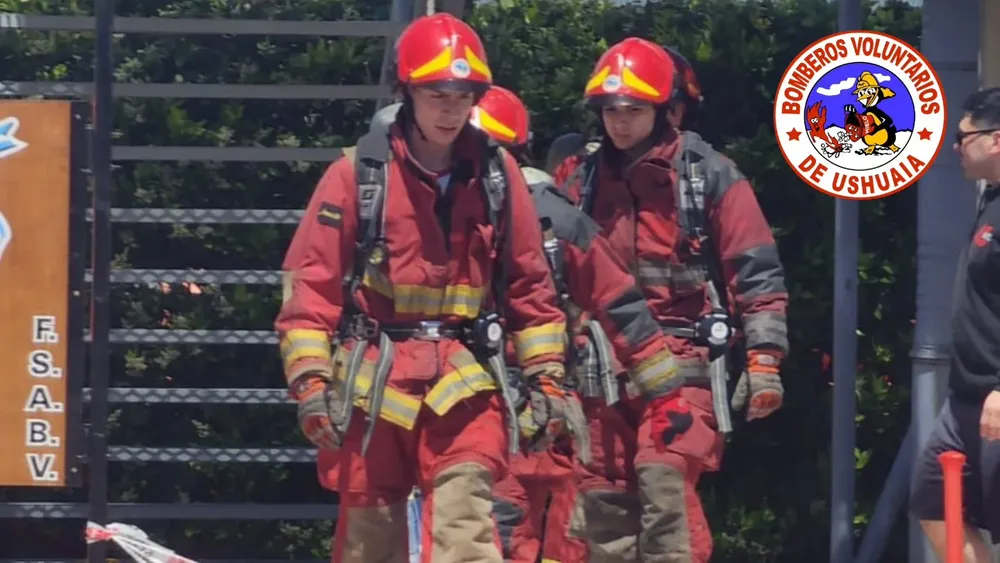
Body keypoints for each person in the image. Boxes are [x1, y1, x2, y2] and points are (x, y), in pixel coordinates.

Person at [274, 13, 571, 562]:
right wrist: (312, 382)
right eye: (437, 92)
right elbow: (309, 292)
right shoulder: (356, 175)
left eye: (464, 94)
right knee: (370, 543)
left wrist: (547, 379)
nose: (451, 106)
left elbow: (533, 289)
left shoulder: (499, 175)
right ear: (406, 91)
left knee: (467, 534)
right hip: (372, 384)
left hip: (465, 380)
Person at [551, 38, 790, 562]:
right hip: (603, 368)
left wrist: (765, 360)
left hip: (684, 364)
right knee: (603, 501)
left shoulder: (709, 175)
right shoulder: (581, 179)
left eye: (633, 109)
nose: (619, 120)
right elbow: (553, 273)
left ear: (664, 110)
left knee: (664, 480)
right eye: (610, 110)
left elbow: (755, 268)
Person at [469, 85, 681, 563]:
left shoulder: (548, 220)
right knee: (514, 533)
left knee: (526, 534)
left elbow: (618, 302)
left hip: (532, 409)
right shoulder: (546, 217)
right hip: (517, 409)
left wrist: (664, 395)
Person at [910, 87, 1000, 562]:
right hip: (965, 399)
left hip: (997, 397)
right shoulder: (990, 201)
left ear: (996, 140)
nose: (955, 146)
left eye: (964, 136)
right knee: (934, 507)